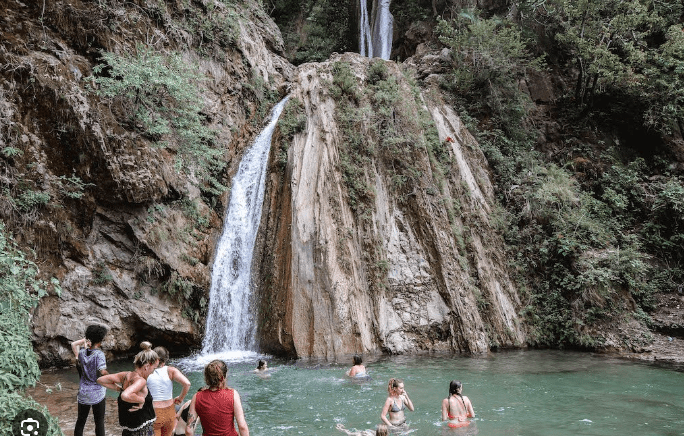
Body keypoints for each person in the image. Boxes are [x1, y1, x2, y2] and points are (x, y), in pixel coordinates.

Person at [98, 342, 160, 436]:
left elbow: (101, 380)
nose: (153, 372)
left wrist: (120, 389)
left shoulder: (125, 375)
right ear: (147, 366)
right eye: (154, 368)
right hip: (142, 432)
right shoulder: (140, 381)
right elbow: (125, 395)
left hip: (128, 430)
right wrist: (141, 399)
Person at [185, 360, 249, 436]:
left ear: (207, 377)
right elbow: (242, 427)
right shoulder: (232, 394)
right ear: (223, 377)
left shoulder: (197, 397)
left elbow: (189, 430)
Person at [72, 325, 109, 436]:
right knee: (99, 422)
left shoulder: (82, 353)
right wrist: (112, 377)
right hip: (97, 393)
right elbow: (102, 371)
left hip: (83, 392)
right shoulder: (99, 355)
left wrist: (86, 340)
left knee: (80, 422)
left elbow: (74, 345)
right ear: (100, 341)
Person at [147, 346, 191, 436]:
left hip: (153, 412)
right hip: (169, 412)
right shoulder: (170, 370)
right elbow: (187, 384)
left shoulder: (146, 371)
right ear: (165, 360)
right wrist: (180, 398)